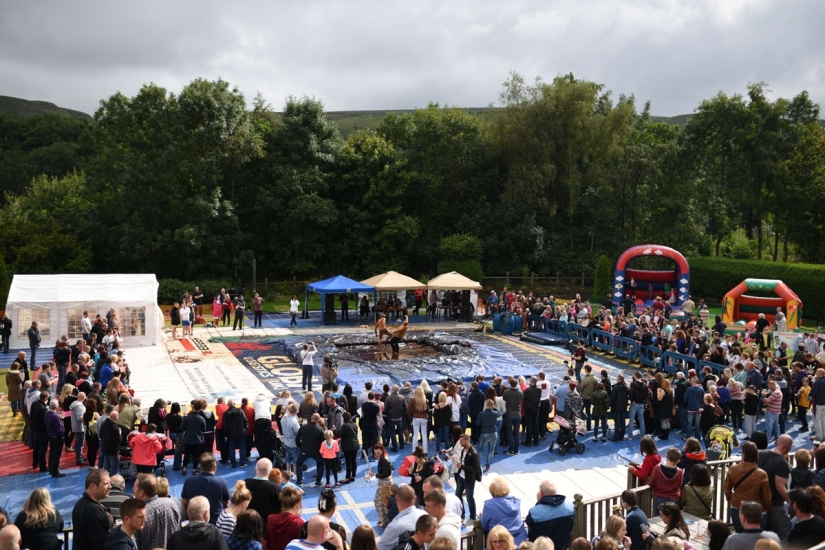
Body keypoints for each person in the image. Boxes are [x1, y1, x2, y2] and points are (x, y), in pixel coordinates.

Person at [723, 441, 772, 532]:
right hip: (757, 510)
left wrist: (732, 500)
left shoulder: (733, 469)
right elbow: (766, 496)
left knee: (740, 536)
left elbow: (727, 489)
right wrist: (766, 508)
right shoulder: (761, 474)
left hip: (738, 507)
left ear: (743, 454)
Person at [757, 433, 793, 542]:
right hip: (775, 504)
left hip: (759, 501)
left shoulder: (761, 454)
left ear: (778, 442)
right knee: (785, 532)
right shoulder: (782, 464)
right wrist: (791, 502)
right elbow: (780, 487)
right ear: (788, 447)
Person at [133, 473, 181, 550]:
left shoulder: (139, 515)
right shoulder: (172, 504)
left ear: (141, 492)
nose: (133, 490)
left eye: (134, 487)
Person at [182, 453, 230, 525]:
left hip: (194, 524)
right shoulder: (221, 482)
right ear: (215, 467)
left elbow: (184, 503)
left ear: (200, 467)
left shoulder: (189, 481)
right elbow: (225, 504)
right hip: (216, 524)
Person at [525, 480, 575, 549]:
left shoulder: (535, 512)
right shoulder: (569, 506)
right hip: (563, 546)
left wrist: (539, 503)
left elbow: (529, 522)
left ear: (541, 493)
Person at [72, 469, 114, 550]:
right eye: (106, 484)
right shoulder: (93, 511)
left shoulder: (81, 504)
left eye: (110, 483)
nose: (110, 486)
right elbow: (101, 542)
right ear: (92, 486)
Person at [377, 484, 426, 550]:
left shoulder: (394, 527)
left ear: (396, 499)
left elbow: (380, 548)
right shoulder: (425, 515)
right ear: (415, 498)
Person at [481, 477, 528, 545]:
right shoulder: (515, 502)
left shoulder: (489, 505)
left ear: (492, 490)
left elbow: (484, 525)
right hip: (520, 540)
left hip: (501, 543)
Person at [44, 399, 65, 477]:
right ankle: (55, 471)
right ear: (56, 406)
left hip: (51, 436)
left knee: (52, 453)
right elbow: (59, 429)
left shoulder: (47, 413)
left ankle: (51, 468)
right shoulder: (55, 416)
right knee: (56, 454)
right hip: (57, 438)